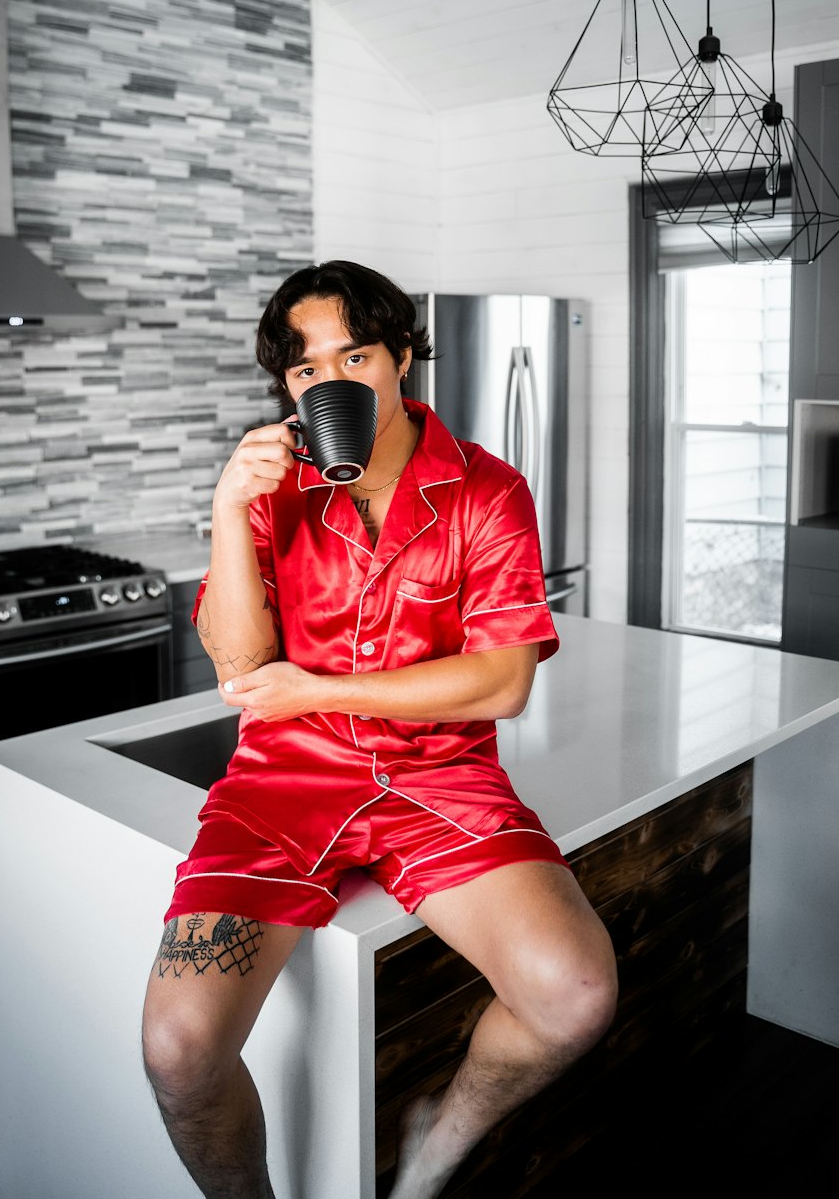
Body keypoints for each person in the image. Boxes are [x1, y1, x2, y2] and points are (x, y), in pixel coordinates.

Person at [141, 260, 617, 1199]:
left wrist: (319, 690)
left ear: (403, 356)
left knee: (576, 995)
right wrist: (227, 512)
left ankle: (442, 1139)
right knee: (179, 1046)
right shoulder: (273, 493)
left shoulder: (488, 491)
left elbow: (503, 681)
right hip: (283, 783)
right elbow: (240, 670)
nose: (331, 382)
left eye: (353, 353)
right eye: (306, 370)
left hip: (441, 779)